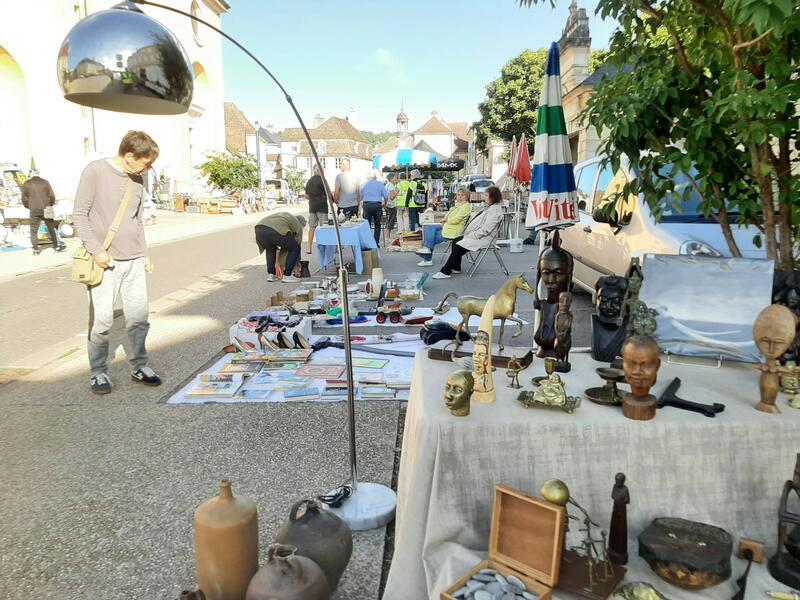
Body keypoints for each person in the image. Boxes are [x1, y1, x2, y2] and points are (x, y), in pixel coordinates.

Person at [72, 130, 161, 395]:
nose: (148, 167)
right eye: (146, 162)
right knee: (101, 322)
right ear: (130, 156)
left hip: (134, 259)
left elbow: (137, 219)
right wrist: (97, 251)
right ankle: (98, 372)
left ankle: (139, 365)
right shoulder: (95, 171)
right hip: (105, 261)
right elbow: (80, 215)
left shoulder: (138, 179)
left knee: (138, 318)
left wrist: (144, 252)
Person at [433, 185, 504, 279]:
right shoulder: (491, 208)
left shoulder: (494, 210)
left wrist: (474, 235)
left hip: (484, 238)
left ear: (493, 197)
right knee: (456, 240)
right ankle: (456, 267)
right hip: (479, 236)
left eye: (487, 195)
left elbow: (487, 228)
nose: (484, 197)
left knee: (458, 246)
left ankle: (445, 271)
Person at [415, 187, 471, 266]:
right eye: (458, 195)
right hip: (448, 226)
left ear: (467, 196)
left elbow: (456, 220)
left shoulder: (465, 207)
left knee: (431, 237)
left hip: (454, 230)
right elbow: (448, 216)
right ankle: (427, 250)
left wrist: (446, 220)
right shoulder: (458, 205)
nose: (460, 197)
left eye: (462, 195)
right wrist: (446, 218)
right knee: (429, 227)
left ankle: (427, 257)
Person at [255, 211, 306, 283]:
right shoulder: (298, 225)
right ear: (302, 224)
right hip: (273, 230)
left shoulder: (287, 218)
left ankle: (271, 275)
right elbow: (297, 243)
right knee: (295, 248)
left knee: (270, 249)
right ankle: (287, 275)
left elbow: (285, 244)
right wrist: (297, 264)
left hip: (259, 228)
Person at [22, 171, 65, 255]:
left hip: (34, 209)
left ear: (31, 175)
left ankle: (35, 249)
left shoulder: (26, 184)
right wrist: (50, 205)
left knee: (34, 229)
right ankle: (56, 246)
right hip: (47, 207)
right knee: (51, 228)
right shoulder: (45, 182)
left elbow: (24, 199)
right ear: (38, 174)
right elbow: (52, 196)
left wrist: (29, 206)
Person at [360, 169, 388, 245]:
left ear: (368, 178)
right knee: (377, 224)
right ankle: (376, 242)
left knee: (367, 225)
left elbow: (360, 197)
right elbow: (386, 196)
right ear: (375, 177)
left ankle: (369, 242)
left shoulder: (363, 184)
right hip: (377, 205)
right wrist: (385, 203)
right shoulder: (380, 184)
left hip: (367, 205)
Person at [304, 165, 327, 254]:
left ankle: (309, 248)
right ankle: (323, 247)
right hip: (322, 206)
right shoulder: (323, 180)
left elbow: (306, 196)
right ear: (318, 171)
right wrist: (334, 200)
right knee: (323, 228)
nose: (324, 172)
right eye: (323, 170)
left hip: (312, 207)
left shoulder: (309, 181)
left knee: (312, 227)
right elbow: (327, 193)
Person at [384, 173, 399, 243]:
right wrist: (397, 192)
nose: (396, 179)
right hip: (391, 205)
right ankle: (387, 237)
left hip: (388, 205)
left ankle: (387, 236)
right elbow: (392, 197)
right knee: (391, 220)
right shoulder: (391, 186)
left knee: (389, 220)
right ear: (391, 179)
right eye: (395, 178)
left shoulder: (387, 185)